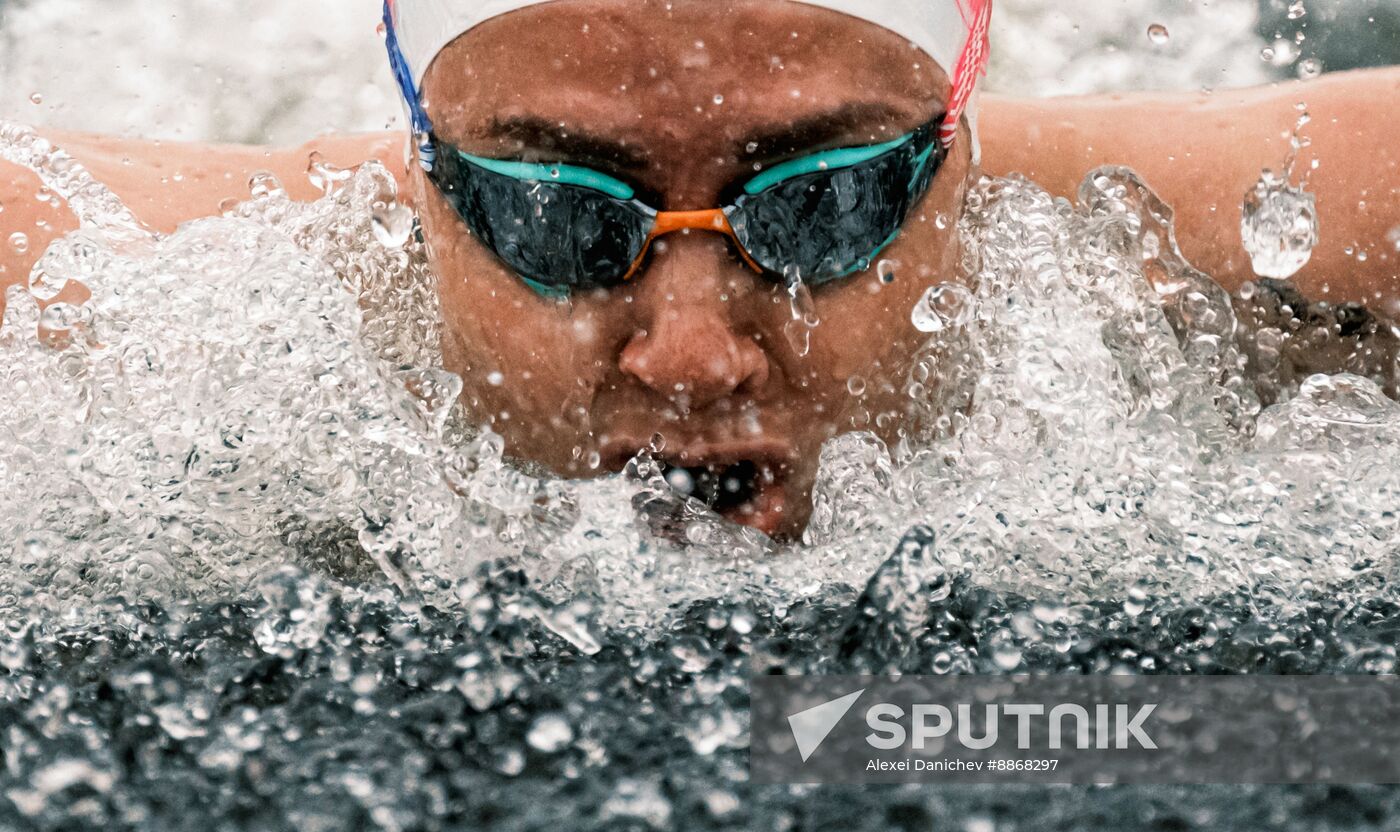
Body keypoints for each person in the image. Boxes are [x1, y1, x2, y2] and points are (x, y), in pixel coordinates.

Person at [3, 0, 1400, 538]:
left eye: (828, 202)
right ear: (420, 173)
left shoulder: (1230, 240)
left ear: (958, 147)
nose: (689, 359)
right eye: (557, 216)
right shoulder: (145, 292)